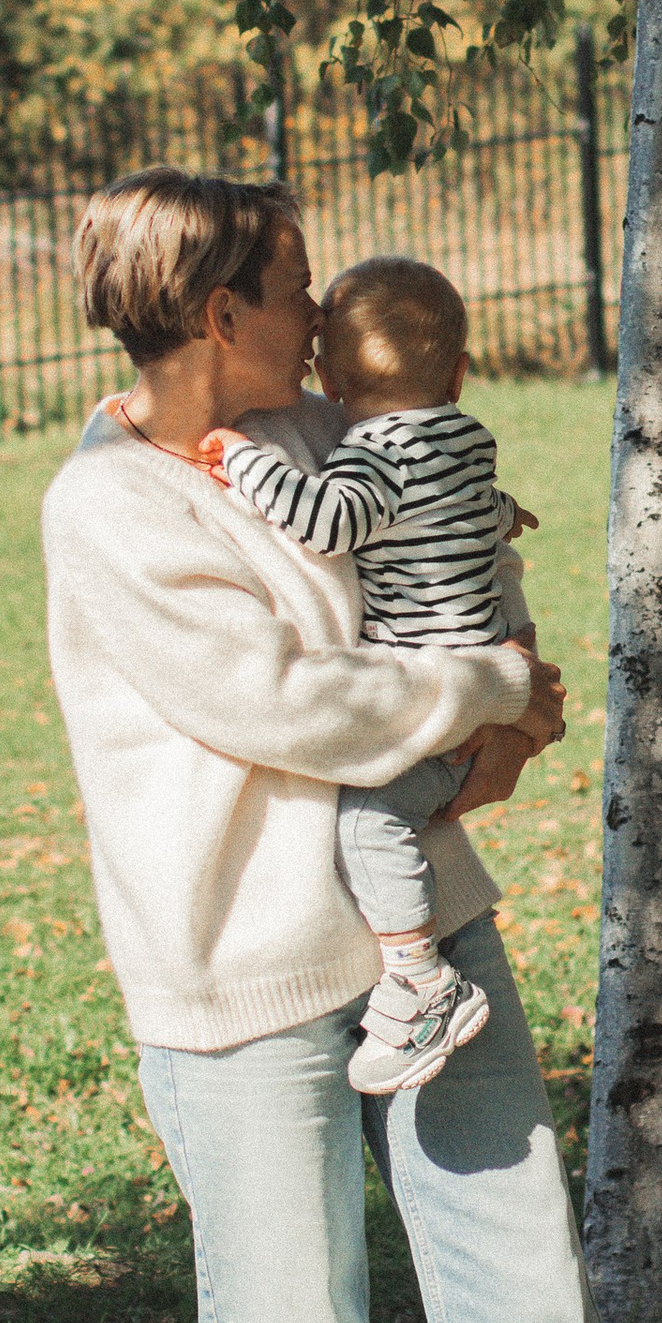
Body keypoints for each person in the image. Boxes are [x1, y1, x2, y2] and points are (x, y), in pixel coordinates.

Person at [40, 165, 662, 1323]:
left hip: (430, 934)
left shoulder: (327, 457)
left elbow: (418, 608)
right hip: (240, 977)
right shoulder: (114, 508)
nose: (327, 318)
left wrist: (471, 702)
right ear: (220, 317)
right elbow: (289, 702)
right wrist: (492, 695)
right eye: (293, 291)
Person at [201, 252, 522, 1100]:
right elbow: (478, 510)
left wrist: (242, 460)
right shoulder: (468, 438)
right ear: (457, 371)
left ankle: (420, 980)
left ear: (330, 381)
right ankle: (420, 978)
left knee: (370, 824)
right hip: (477, 678)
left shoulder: (369, 454)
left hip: (433, 702)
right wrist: (502, 512)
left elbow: (326, 523)